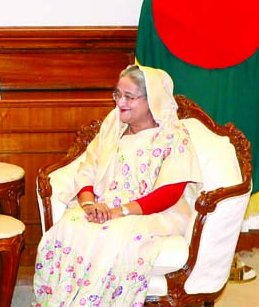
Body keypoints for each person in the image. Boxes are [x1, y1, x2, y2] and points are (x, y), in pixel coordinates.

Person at [32, 64, 202, 306]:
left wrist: (117, 213)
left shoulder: (174, 137)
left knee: (110, 240)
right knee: (65, 230)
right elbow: (87, 168)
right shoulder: (114, 124)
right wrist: (89, 203)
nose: (120, 102)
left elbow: (168, 194)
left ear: (151, 99)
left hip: (152, 212)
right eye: (117, 94)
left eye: (129, 97)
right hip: (104, 206)